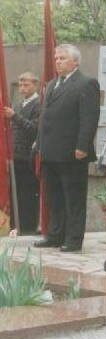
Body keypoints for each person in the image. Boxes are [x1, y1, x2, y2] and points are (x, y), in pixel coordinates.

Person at [34, 44, 100, 252]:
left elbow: (89, 118)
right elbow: (46, 117)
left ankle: (73, 239)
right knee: (54, 197)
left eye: (62, 58)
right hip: (50, 150)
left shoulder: (86, 83)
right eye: (56, 58)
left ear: (75, 62)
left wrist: (82, 145)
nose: (57, 61)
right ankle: (55, 235)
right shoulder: (52, 84)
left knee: (73, 198)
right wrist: (39, 143)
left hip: (72, 152)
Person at [2, 72, 40, 234]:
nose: (22, 88)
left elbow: (35, 129)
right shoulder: (18, 105)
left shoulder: (39, 104)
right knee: (15, 194)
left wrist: (15, 116)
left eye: (26, 84)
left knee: (28, 194)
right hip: (15, 157)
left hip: (29, 157)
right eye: (20, 85)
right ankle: (16, 226)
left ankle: (28, 227)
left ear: (35, 84)